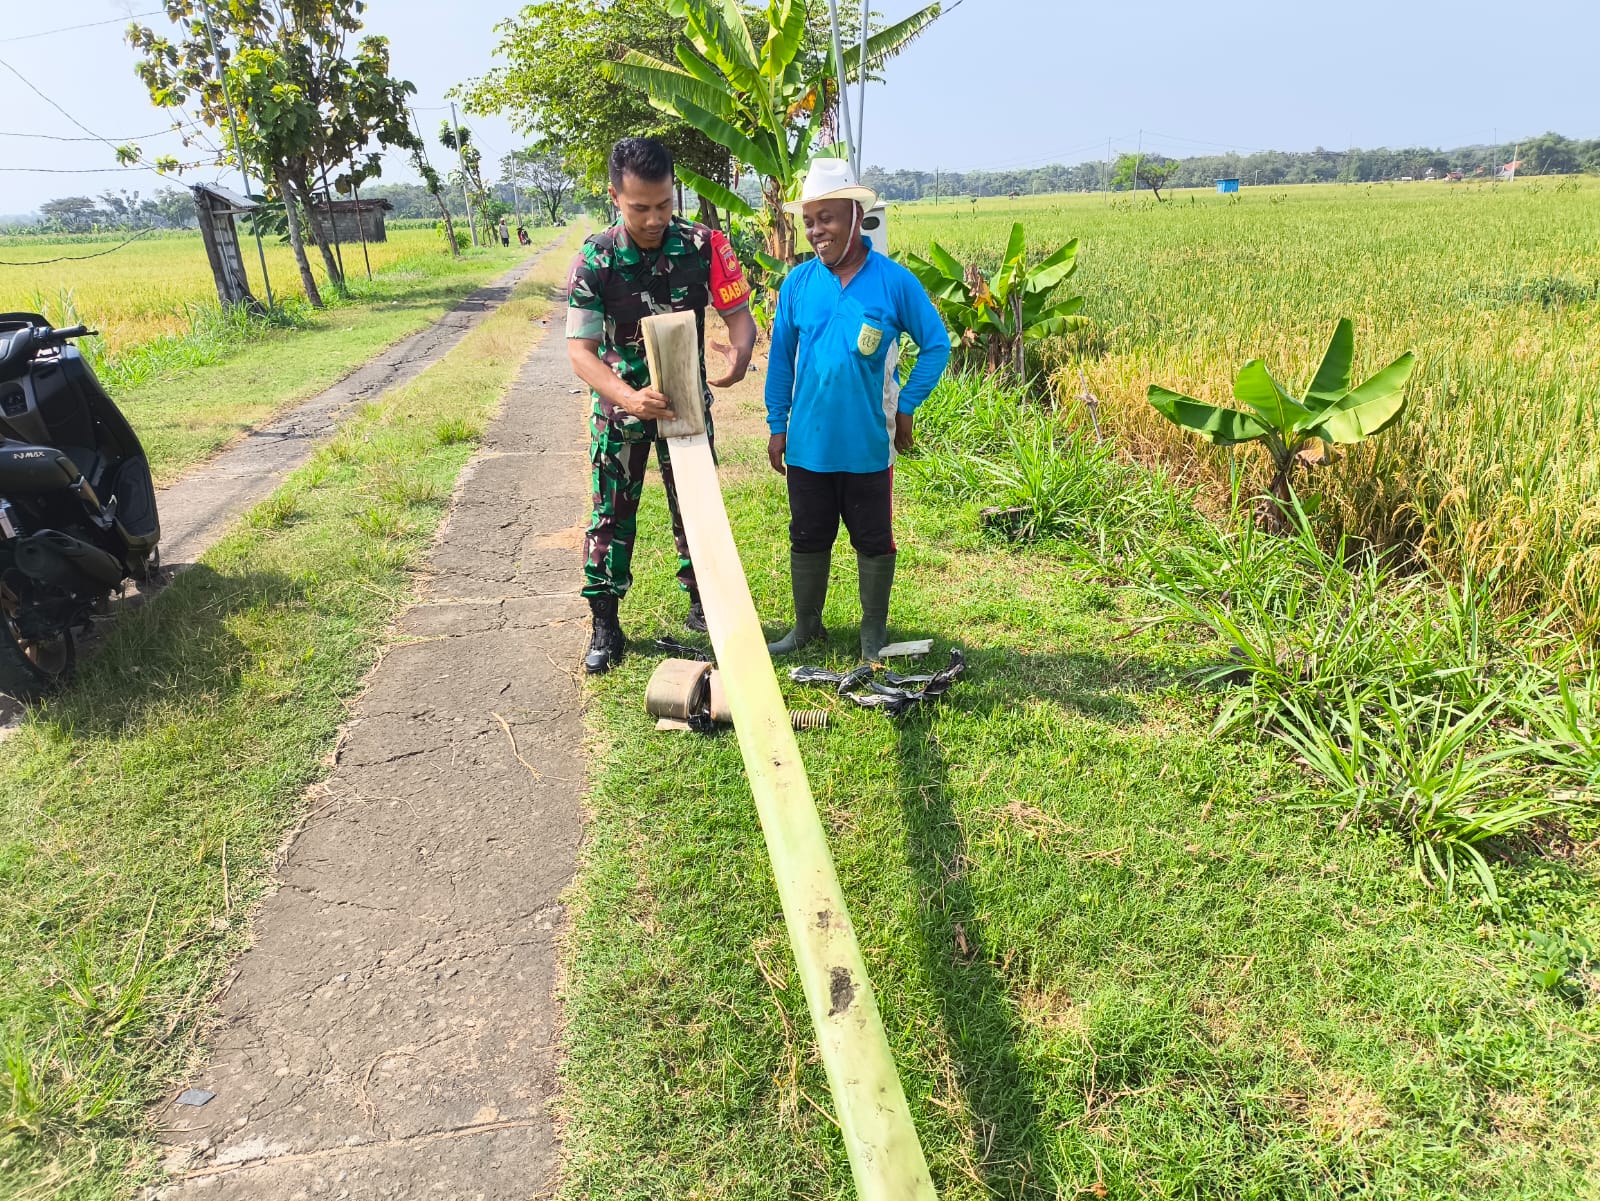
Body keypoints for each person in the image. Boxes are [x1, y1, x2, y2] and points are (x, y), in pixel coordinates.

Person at [567, 136, 758, 674]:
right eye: (639, 208)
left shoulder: (703, 245)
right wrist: (628, 396)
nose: (654, 219)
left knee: (698, 510)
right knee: (611, 514)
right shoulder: (596, 258)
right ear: (615, 197)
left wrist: (741, 351)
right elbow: (580, 352)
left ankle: (706, 608)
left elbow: (739, 314)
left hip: (684, 405)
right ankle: (605, 624)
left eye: (664, 204)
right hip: (621, 407)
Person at [765, 158, 950, 660]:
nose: (815, 231)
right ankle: (806, 628)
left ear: (853, 214)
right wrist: (777, 425)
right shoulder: (798, 285)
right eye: (808, 221)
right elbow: (781, 360)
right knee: (807, 535)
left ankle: (872, 635)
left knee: (873, 540)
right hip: (808, 444)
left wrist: (907, 405)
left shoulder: (893, 282)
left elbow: (936, 345)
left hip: (869, 444)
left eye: (825, 218)